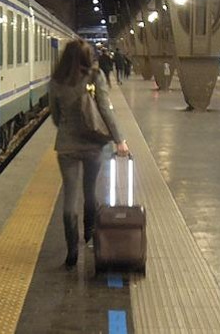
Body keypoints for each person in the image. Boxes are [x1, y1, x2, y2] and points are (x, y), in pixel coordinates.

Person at [49, 40, 130, 268]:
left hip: (66, 147)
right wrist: (120, 140)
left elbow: (55, 116)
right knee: (90, 191)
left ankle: (72, 251)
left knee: (70, 197)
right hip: (94, 146)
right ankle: (90, 234)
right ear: (87, 57)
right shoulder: (95, 77)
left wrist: (68, 129)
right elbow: (105, 109)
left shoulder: (56, 81)